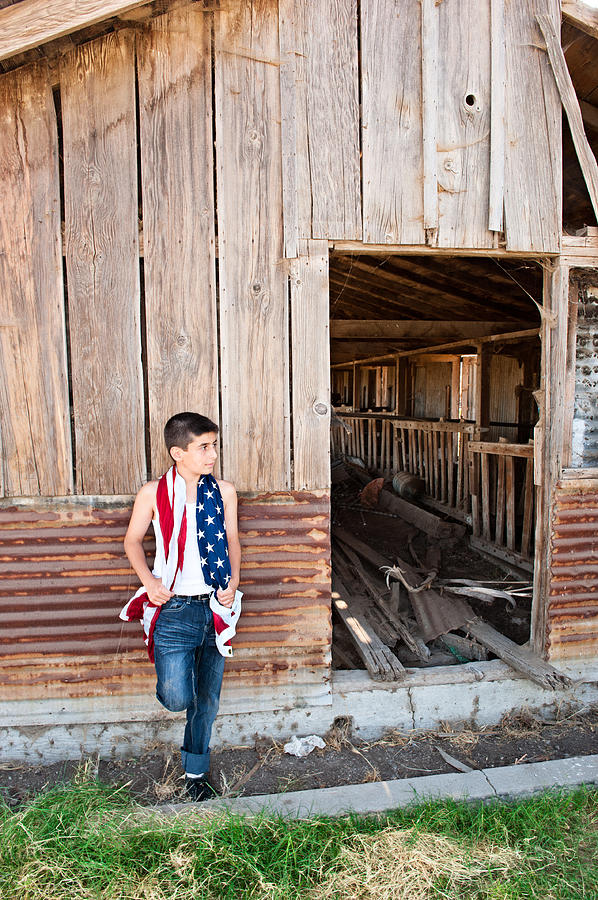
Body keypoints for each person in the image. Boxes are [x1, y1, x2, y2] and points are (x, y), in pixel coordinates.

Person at [120, 412, 242, 801]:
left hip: (214, 607)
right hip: (174, 609)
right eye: (204, 447)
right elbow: (132, 541)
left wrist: (233, 581)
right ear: (178, 453)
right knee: (178, 697)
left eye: (214, 446)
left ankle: (195, 775)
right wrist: (149, 583)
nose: (212, 455)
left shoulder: (223, 491)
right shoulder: (152, 493)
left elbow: (233, 539)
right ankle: (180, 696)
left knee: (208, 700)